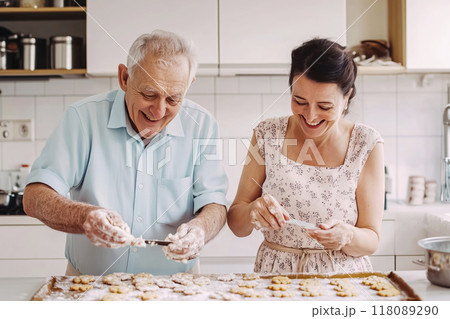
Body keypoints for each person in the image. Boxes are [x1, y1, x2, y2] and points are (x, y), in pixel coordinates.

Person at [23, 30, 228, 276]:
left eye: (173, 99)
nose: (159, 110)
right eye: (149, 94)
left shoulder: (203, 125)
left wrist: (200, 229)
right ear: (124, 77)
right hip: (90, 285)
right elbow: (34, 196)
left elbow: (214, 204)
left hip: (178, 287)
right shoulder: (82, 119)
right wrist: (85, 217)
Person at [227, 38, 384, 274]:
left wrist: (348, 236)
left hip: (342, 280)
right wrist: (253, 212)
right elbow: (237, 224)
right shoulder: (267, 135)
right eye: (300, 101)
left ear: (347, 97)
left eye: (324, 106)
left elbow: (371, 238)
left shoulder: (366, 143)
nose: (310, 116)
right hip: (275, 276)